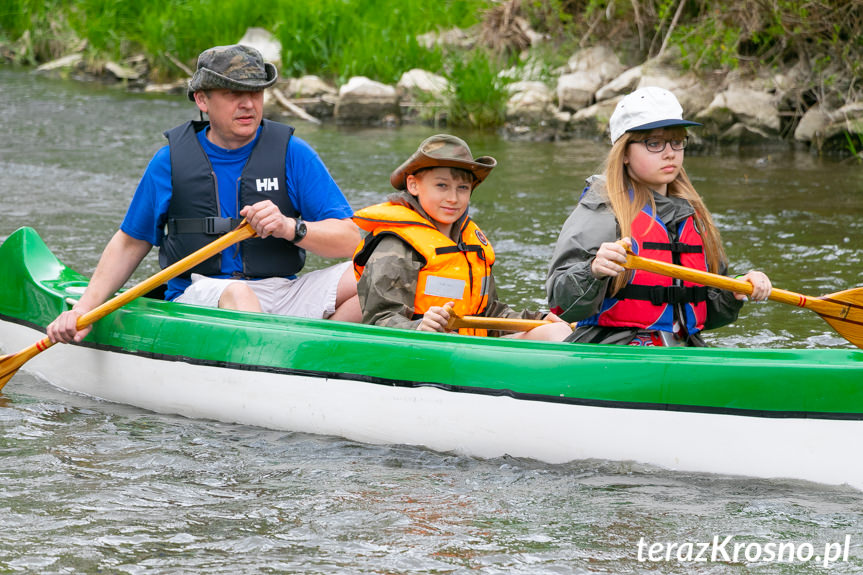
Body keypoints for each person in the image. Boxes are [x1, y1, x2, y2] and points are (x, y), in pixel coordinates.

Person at [48, 44, 361, 344]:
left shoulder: (293, 153)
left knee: (379, 273)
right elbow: (131, 242)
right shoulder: (168, 162)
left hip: (281, 291)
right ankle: (279, 361)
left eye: (255, 93)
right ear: (202, 99)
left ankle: (314, 351)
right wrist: (82, 309)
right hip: (200, 297)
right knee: (239, 294)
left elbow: (351, 239)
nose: (248, 104)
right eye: (233, 94)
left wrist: (290, 227)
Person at [546, 86, 772, 346]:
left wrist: (735, 291)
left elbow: (708, 313)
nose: (670, 153)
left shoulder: (693, 215)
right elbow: (561, 304)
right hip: (614, 349)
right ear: (625, 154)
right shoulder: (601, 211)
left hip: (682, 347)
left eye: (677, 141)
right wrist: (592, 271)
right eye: (654, 143)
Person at [352, 134, 572, 340]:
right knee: (554, 335)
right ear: (413, 185)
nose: (453, 198)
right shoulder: (396, 245)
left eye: (463, 188)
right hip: (422, 352)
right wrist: (419, 327)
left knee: (556, 331)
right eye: (442, 186)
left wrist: (537, 320)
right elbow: (378, 320)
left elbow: (488, 313)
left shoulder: (472, 244)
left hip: (469, 350)